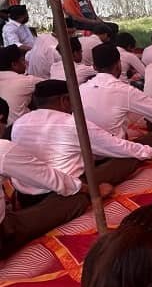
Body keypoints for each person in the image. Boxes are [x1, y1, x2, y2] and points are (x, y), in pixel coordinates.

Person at [0, 97, 114, 258]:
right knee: (76, 201)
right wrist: (93, 191)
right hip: (6, 231)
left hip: (24, 200)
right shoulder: (3, 148)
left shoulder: (19, 125)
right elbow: (52, 179)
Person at [11, 80, 152, 206]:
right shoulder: (71, 123)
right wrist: (149, 151)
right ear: (65, 100)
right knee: (128, 157)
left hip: (26, 197)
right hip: (64, 193)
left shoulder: (19, 123)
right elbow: (117, 146)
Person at [81, 43, 152, 148]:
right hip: (115, 150)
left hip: (85, 149)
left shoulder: (81, 89)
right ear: (118, 64)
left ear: (94, 67)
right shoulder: (124, 90)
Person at [0, 44, 41, 125]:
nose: (26, 62)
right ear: (14, 65)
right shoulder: (25, 81)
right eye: (22, 60)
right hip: (18, 129)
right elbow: (53, 85)